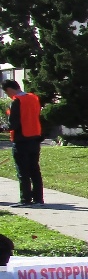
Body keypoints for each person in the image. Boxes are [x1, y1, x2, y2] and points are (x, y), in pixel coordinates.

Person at [3, 79, 44, 207]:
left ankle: (25, 199)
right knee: (34, 169)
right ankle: (38, 198)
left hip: (21, 139)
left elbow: (13, 124)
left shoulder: (16, 101)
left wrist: (5, 126)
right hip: (34, 137)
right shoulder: (33, 98)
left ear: (9, 89)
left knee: (23, 171)